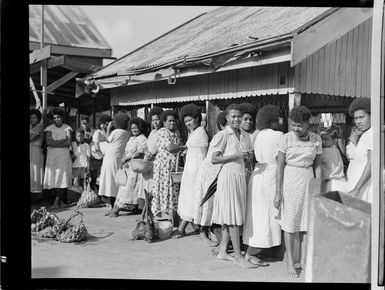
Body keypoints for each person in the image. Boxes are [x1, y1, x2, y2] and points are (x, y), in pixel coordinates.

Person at [274, 106, 322, 278]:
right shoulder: (285, 139)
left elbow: (318, 166)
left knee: (306, 223)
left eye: (299, 125)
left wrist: (319, 189)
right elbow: (279, 166)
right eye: (293, 125)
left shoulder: (316, 139)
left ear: (308, 124)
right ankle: (290, 263)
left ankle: (302, 260)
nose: (296, 129)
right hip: (290, 180)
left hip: (308, 179)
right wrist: (278, 191)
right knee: (291, 221)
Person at [210, 104, 257, 269]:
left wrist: (247, 157)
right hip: (228, 177)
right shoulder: (223, 135)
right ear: (227, 119)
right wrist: (236, 156)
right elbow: (214, 159)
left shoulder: (245, 135)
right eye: (233, 117)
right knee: (234, 218)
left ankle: (223, 251)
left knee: (230, 216)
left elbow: (247, 158)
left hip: (240, 177)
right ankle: (238, 255)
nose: (236, 119)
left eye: (239, 116)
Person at [242, 105, 283, 267]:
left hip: (258, 175)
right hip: (271, 175)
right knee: (268, 215)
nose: (281, 121)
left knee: (257, 215)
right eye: (278, 118)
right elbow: (281, 159)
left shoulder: (257, 135)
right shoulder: (279, 135)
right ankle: (251, 252)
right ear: (272, 120)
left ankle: (254, 249)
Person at [171, 104, 208, 239]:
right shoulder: (193, 133)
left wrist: (203, 172)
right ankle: (191, 226)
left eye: (190, 120)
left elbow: (204, 154)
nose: (188, 123)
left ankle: (181, 228)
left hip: (197, 169)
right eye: (186, 121)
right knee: (188, 196)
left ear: (197, 118)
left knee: (192, 197)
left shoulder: (201, 132)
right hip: (190, 169)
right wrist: (185, 151)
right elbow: (192, 147)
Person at [191, 111, 227, 247]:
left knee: (211, 206)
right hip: (209, 173)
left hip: (216, 173)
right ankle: (202, 234)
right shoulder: (222, 136)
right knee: (206, 204)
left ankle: (210, 232)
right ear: (222, 125)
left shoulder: (230, 136)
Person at [151, 110, 186, 221]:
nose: (172, 123)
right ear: (164, 122)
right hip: (163, 167)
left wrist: (182, 148)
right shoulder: (162, 131)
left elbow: (178, 147)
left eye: (174, 121)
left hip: (172, 167)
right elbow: (170, 148)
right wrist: (185, 146)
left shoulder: (176, 133)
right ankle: (162, 217)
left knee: (172, 191)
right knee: (163, 190)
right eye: (169, 121)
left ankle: (171, 218)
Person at [110, 117, 148, 217]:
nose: (134, 130)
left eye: (136, 128)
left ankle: (117, 209)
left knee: (128, 189)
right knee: (122, 187)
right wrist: (123, 160)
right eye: (132, 128)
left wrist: (127, 158)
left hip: (135, 167)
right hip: (127, 166)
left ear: (140, 128)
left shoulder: (143, 139)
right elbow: (126, 151)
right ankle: (115, 207)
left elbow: (140, 153)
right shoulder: (131, 138)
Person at [341, 97, 372, 203]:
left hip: (365, 187)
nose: (358, 121)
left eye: (362, 117)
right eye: (356, 118)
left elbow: (371, 164)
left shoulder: (372, 133)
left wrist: (357, 189)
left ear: (372, 115)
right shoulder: (366, 134)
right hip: (357, 184)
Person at [98, 113, 130, 212]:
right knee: (117, 183)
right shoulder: (127, 132)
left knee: (110, 182)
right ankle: (116, 206)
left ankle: (113, 207)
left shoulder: (115, 131)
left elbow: (107, 140)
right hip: (119, 159)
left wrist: (108, 128)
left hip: (110, 158)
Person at [43, 108, 73, 209]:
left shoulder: (67, 128)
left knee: (62, 176)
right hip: (52, 156)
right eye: (55, 117)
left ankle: (61, 200)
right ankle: (55, 200)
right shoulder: (49, 128)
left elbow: (68, 143)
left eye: (58, 117)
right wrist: (62, 141)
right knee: (54, 176)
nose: (56, 119)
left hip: (64, 156)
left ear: (62, 118)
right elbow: (48, 142)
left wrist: (54, 143)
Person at [317, 127, 347, 192]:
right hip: (341, 181)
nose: (323, 141)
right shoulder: (335, 148)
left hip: (331, 184)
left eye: (326, 139)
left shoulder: (324, 151)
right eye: (321, 139)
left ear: (334, 141)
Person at [90, 114, 112, 191]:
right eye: (105, 124)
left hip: (105, 155)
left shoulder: (108, 132)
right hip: (98, 155)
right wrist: (103, 157)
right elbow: (96, 147)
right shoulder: (98, 132)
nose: (106, 126)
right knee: (96, 176)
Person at [30, 109, 44, 194]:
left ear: (38, 119)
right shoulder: (31, 127)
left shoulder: (39, 126)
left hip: (36, 151)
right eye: (31, 118)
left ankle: (36, 194)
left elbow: (31, 137)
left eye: (34, 118)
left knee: (34, 171)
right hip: (31, 150)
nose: (32, 119)